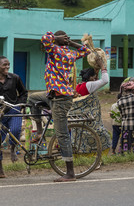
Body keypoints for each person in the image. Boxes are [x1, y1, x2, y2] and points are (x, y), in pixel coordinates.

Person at [41, 30, 90, 182]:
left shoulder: (55, 50)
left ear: (56, 41)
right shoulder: (69, 52)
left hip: (61, 98)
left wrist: (58, 39)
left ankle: (70, 173)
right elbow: (85, 50)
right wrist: (70, 42)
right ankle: (38, 131)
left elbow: (45, 39)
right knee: (32, 98)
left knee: (62, 134)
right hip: (56, 95)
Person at [74, 56, 111, 155]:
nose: (96, 79)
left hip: (80, 117)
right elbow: (105, 80)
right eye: (95, 77)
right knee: (104, 136)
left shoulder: (79, 85)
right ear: (91, 77)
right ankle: (98, 156)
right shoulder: (90, 85)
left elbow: (97, 81)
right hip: (89, 117)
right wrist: (102, 66)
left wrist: (97, 71)